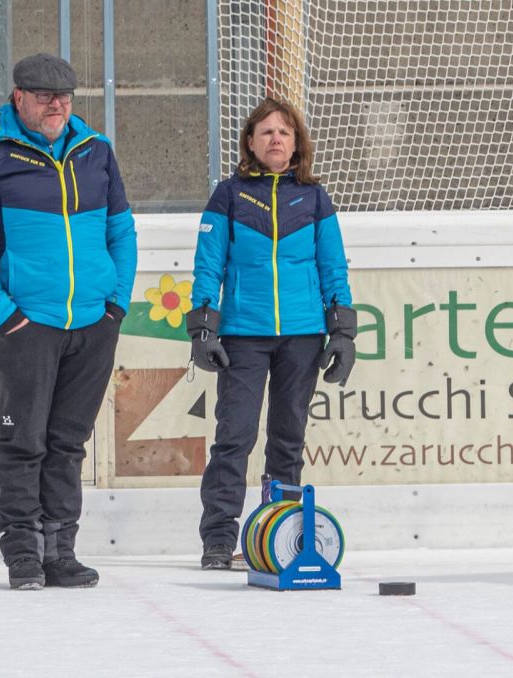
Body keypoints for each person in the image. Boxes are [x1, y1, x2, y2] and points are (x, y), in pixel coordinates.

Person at [0, 53, 137, 590]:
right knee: (23, 441)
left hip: (92, 323)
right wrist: (4, 317)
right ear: (19, 97)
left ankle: (60, 551)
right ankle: (24, 553)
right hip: (25, 325)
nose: (57, 105)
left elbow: (121, 231)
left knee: (67, 443)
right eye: (44, 95)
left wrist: (115, 306)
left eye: (64, 96)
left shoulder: (95, 150)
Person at [188, 97, 356, 570]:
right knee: (234, 438)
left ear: (296, 143)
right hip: (243, 335)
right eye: (266, 132)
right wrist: (204, 327)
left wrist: (342, 332)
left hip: (302, 338)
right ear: (250, 142)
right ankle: (218, 540)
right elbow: (208, 265)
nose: (276, 139)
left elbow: (333, 268)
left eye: (284, 132)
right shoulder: (229, 196)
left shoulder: (315, 199)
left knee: (287, 440)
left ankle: (277, 537)